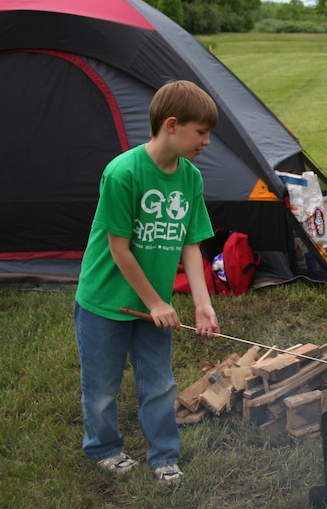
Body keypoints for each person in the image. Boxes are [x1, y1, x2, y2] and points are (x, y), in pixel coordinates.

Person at [74, 80, 220, 482]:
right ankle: (103, 447)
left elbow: (191, 244)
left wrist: (202, 304)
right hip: (106, 301)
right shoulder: (123, 173)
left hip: (155, 306)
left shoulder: (190, 178)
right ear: (172, 125)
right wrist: (156, 302)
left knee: (159, 383)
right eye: (201, 132)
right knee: (101, 385)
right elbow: (119, 249)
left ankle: (163, 455)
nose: (207, 142)